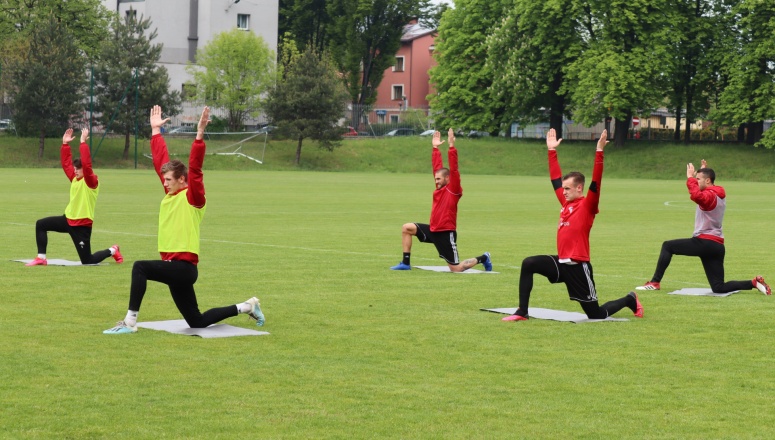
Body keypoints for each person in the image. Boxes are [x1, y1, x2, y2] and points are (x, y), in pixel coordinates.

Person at [103, 105, 264, 334]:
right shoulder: (170, 194)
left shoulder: (193, 198)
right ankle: (246, 306)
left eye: (169, 179)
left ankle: (129, 322)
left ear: (181, 179)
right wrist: (156, 132)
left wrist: (199, 136)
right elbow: (161, 161)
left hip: (183, 268)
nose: (165, 182)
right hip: (174, 268)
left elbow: (196, 171)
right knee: (196, 322)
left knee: (140, 267)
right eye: (164, 179)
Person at [503, 129, 643, 322]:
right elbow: (554, 180)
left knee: (596, 315)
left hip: (579, 266)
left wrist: (599, 152)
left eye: (567, 188)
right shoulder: (566, 203)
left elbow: (597, 181)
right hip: (562, 263)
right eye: (564, 188)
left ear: (579, 188)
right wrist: (551, 151)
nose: (564, 192)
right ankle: (522, 312)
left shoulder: (588, 205)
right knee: (529, 263)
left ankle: (630, 299)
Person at [635, 160, 770, 295]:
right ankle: (754, 283)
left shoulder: (710, 196)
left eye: (698, 179)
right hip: (717, 246)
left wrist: (690, 178)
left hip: (705, 242)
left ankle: (654, 282)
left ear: (708, 181)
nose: (696, 181)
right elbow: (705, 188)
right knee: (718, 287)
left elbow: (697, 196)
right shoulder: (716, 192)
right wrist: (703, 169)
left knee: (667, 246)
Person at [390, 129, 492, 272]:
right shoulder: (439, 187)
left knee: (456, 269)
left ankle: (484, 258)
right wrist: (435, 148)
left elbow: (454, 169)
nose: (436, 181)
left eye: (439, 179)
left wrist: (451, 146)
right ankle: (405, 263)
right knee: (407, 228)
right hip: (433, 229)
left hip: (445, 233)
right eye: (435, 179)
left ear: (448, 179)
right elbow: (437, 168)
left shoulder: (454, 189)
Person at [25, 128, 123, 266]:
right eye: (75, 169)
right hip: (68, 220)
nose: (75, 171)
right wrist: (65, 144)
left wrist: (83, 142)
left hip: (82, 226)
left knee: (87, 261)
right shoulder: (75, 178)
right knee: (41, 224)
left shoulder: (91, 182)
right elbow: (66, 164)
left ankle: (113, 250)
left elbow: (87, 166)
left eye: (78, 169)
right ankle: (41, 258)